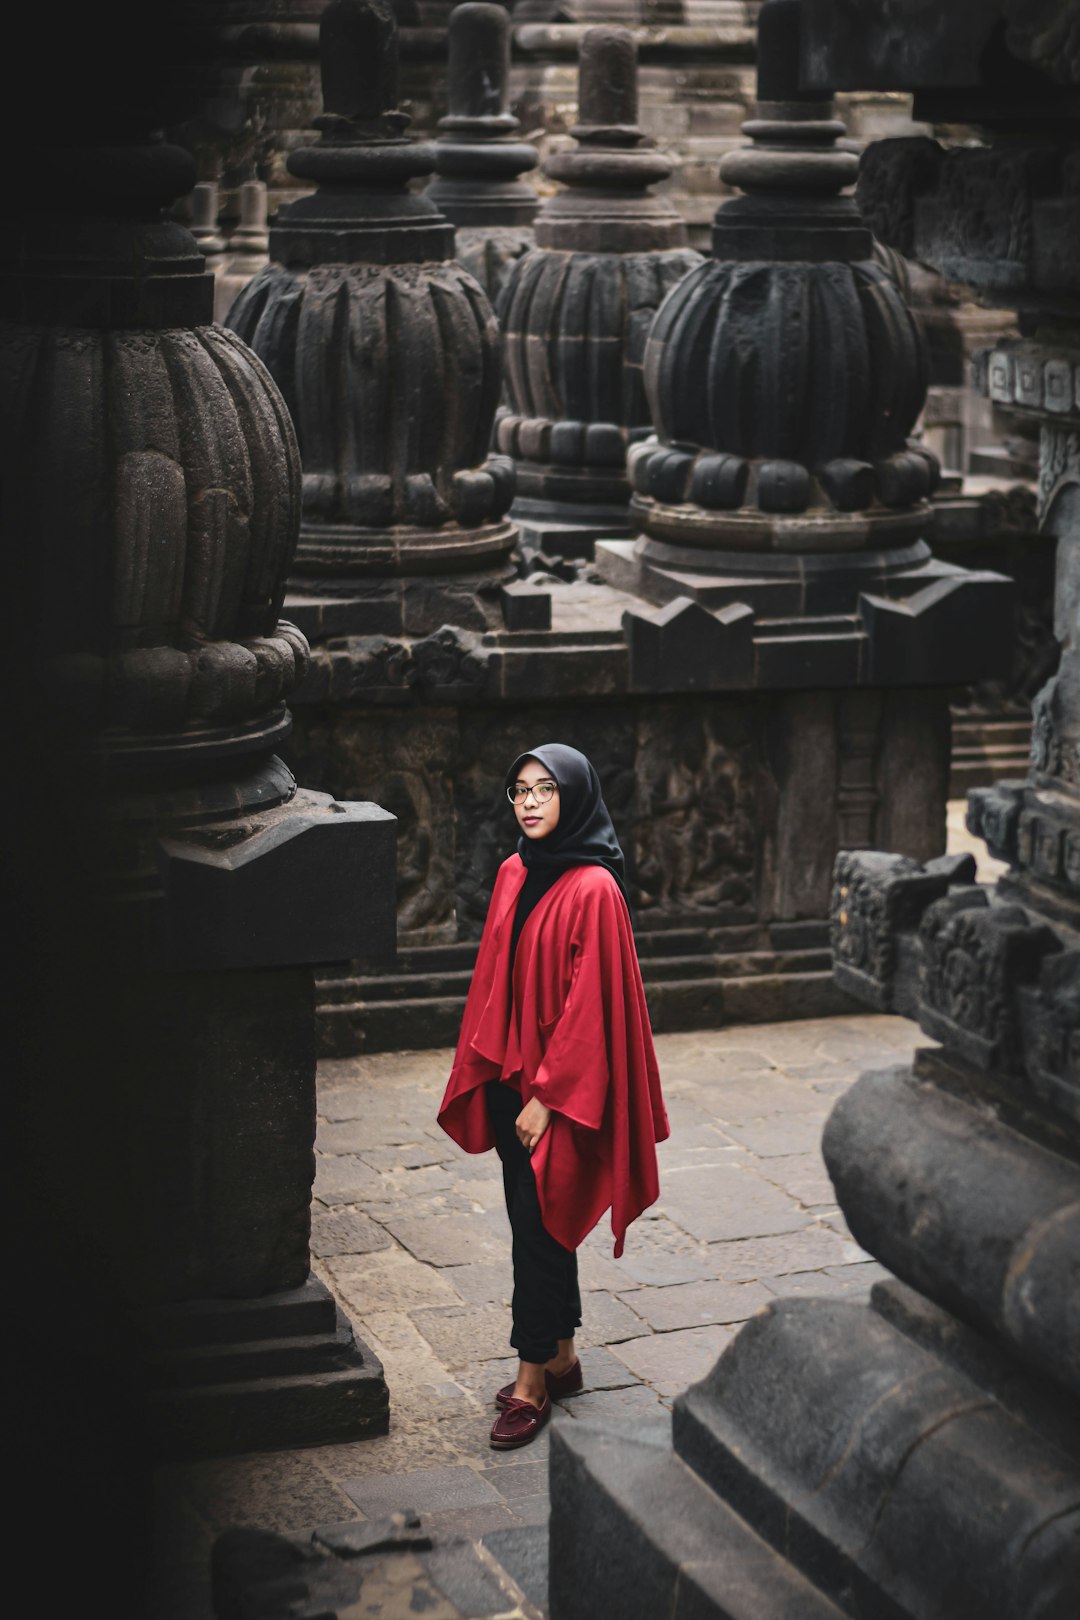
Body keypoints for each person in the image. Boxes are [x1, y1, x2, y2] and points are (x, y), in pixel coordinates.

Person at [437, 743, 669, 1451]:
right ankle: (562, 1357)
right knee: (537, 1217)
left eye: (545, 789)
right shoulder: (514, 871)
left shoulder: (595, 888)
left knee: (538, 1229)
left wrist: (548, 1096)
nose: (530, 802)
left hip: (560, 1093)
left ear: (574, 796)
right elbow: (498, 974)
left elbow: (590, 1006)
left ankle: (531, 1381)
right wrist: (495, 1070)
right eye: (520, 791)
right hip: (512, 1080)